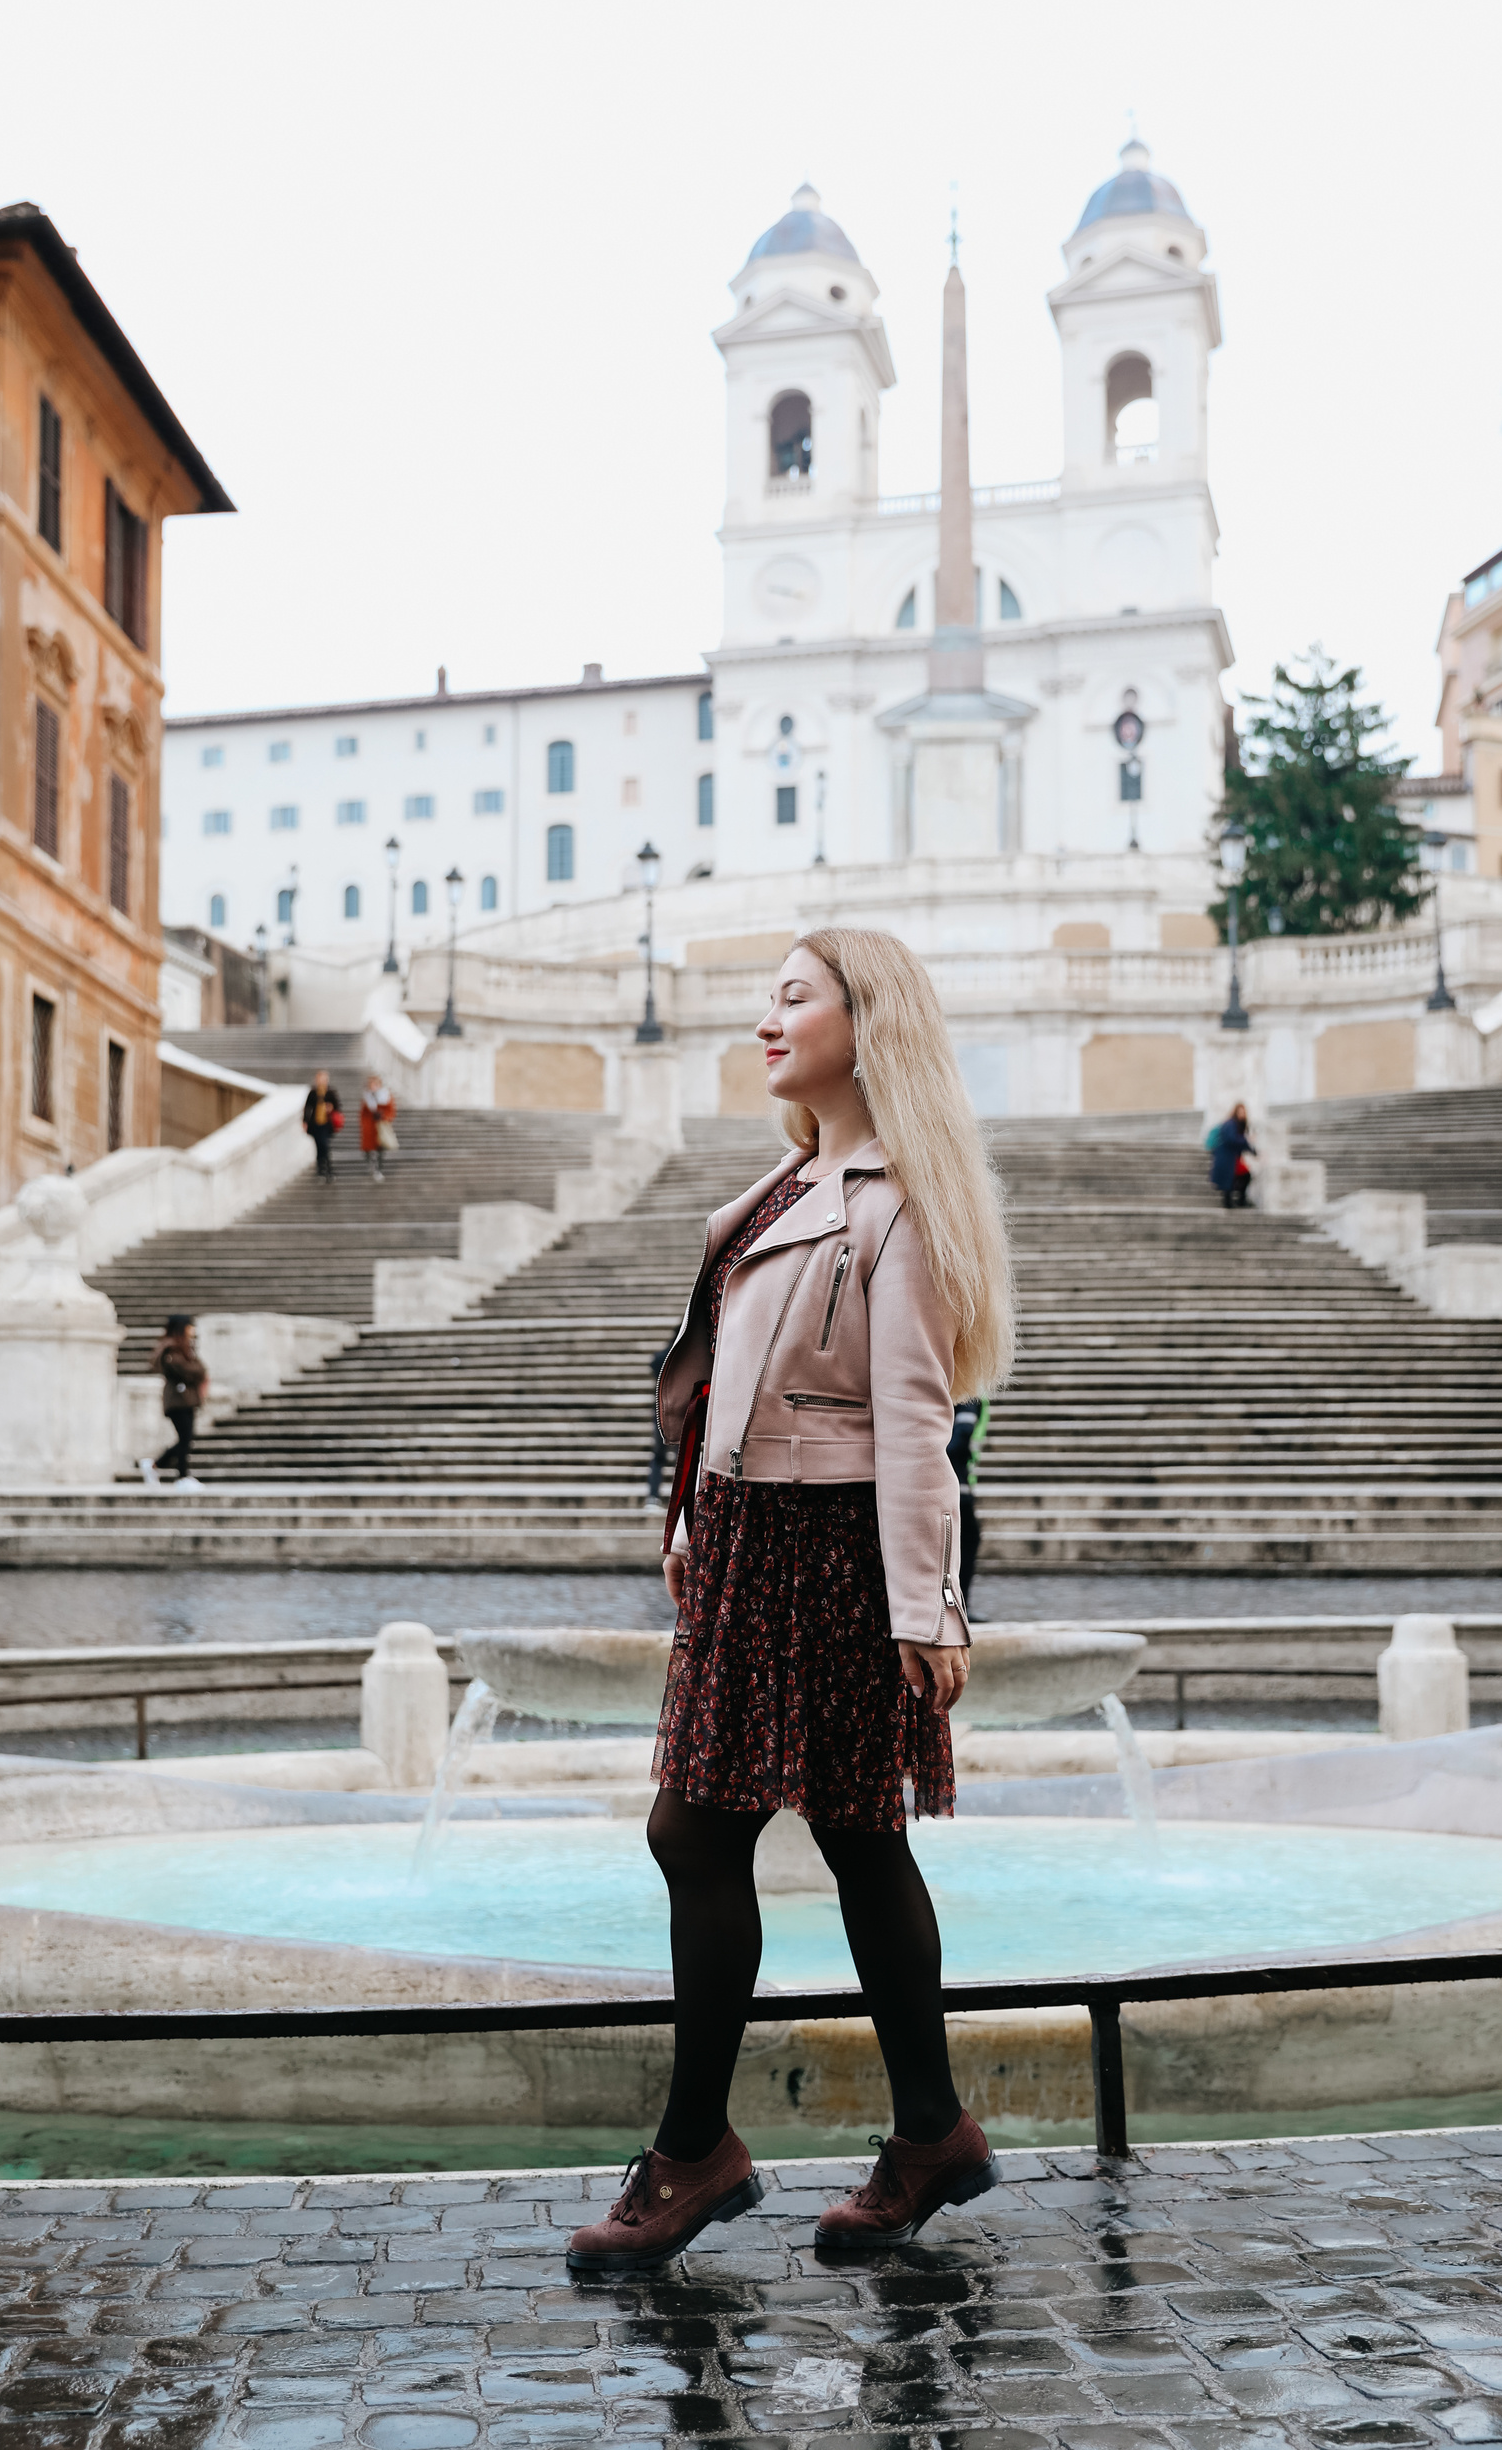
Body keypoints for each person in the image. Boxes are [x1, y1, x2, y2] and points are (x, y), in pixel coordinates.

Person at [567, 927, 1013, 2275]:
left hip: (829, 1554)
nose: (767, 1019)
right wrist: (694, 1518)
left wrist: (927, 1608)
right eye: (765, 999)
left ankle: (700, 2149)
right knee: (849, 1841)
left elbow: (914, 1424)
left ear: (864, 1021)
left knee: (715, 1836)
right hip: (756, 1544)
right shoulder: (784, 1186)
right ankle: (925, 2130)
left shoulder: (894, 1202)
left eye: (793, 997)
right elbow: (728, 1388)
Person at [139, 1315, 207, 1487]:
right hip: (177, 1400)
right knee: (185, 1438)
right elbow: (189, 1370)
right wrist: (196, 1370)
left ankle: (155, 1465)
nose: (192, 1330)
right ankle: (182, 1476)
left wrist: (197, 1370)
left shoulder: (184, 1348)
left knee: (186, 1438)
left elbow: (199, 1369)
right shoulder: (171, 1349)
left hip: (187, 1399)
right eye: (189, 1326)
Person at [947, 1394, 990, 1607]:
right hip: (957, 1483)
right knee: (967, 1540)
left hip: (955, 1482)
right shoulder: (970, 1394)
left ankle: (956, 1604)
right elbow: (963, 1433)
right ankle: (959, 1605)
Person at [1207, 1103, 1257, 1209]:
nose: (1242, 1114)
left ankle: (1239, 1200)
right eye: (1240, 1112)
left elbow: (1239, 1142)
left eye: (1243, 1112)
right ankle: (1233, 1202)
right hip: (1226, 1157)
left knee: (1242, 1176)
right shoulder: (1230, 1124)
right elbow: (1233, 1140)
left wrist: (1254, 1151)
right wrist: (1248, 1141)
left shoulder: (1238, 1125)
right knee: (1231, 1179)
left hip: (1231, 1158)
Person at [645, 1338, 673, 1509]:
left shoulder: (661, 1357)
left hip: (660, 1411)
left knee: (658, 1456)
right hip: (678, 1413)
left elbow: (653, 1363)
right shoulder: (682, 1358)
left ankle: (653, 1496)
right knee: (680, 1458)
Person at [303, 1069, 342, 1181]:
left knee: (325, 1146)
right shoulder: (313, 1092)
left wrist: (331, 1107)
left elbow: (337, 1107)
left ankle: (328, 1170)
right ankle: (321, 1170)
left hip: (326, 1123)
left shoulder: (330, 1092)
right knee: (319, 1147)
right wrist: (305, 1121)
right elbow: (307, 1108)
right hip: (315, 1124)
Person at [359, 1073, 397, 1184]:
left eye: (375, 1084)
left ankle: (378, 1169)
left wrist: (384, 1116)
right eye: (371, 1084)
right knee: (368, 1149)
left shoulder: (386, 1096)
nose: (373, 1087)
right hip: (369, 1127)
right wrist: (365, 1125)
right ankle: (371, 1165)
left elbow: (391, 1111)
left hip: (381, 1126)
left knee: (380, 1149)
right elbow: (363, 1114)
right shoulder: (366, 1097)